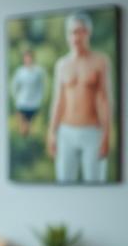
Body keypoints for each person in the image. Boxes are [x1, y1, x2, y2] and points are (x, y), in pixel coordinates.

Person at [47, 12, 112, 183]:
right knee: (63, 181)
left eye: (80, 31)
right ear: (68, 35)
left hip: (92, 132)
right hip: (66, 132)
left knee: (96, 182)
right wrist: (51, 132)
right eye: (72, 32)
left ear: (88, 33)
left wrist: (106, 135)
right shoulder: (62, 65)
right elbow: (58, 101)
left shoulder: (100, 61)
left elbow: (104, 99)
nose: (76, 36)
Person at [10, 49, 45, 137]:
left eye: (29, 57)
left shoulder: (38, 71)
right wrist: (17, 98)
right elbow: (14, 86)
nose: (28, 59)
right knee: (22, 124)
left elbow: (40, 87)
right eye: (26, 57)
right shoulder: (20, 71)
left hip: (34, 104)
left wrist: (39, 99)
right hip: (22, 103)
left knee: (32, 127)